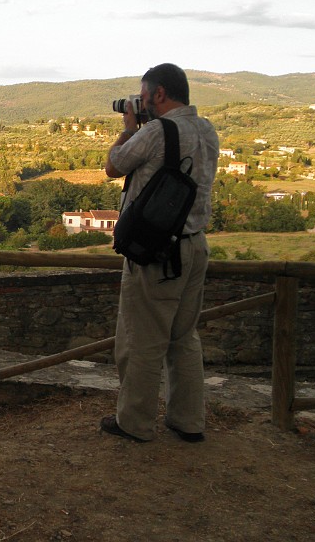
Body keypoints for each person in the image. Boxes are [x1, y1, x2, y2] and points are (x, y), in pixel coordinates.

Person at [100, 63, 219, 443]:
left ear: (160, 94)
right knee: (184, 339)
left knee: (141, 342)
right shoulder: (207, 130)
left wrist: (127, 128)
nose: (141, 101)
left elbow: (113, 167)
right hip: (195, 246)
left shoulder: (154, 132)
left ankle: (135, 423)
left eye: (144, 95)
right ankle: (188, 421)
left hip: (156, 254)